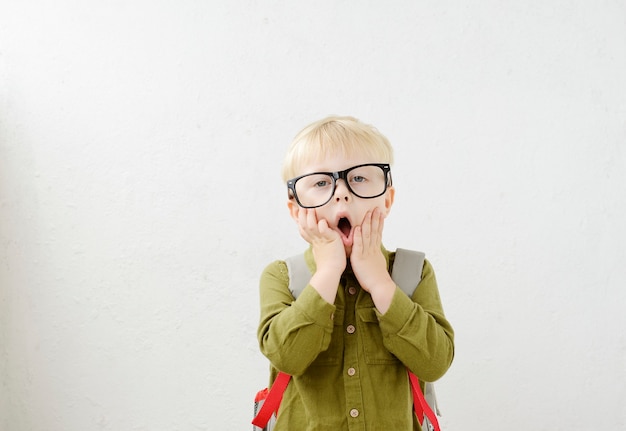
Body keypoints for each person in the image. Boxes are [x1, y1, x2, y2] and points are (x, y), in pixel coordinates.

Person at [257, 115, 454, 430]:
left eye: (360, 178)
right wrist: (329, 269)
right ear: (296, 210)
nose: (341, 193)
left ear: (387, 199)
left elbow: (435, 362)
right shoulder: (283, 277)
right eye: (321, 182)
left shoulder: (413, 273)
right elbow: (288, 358)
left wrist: (379, 281)